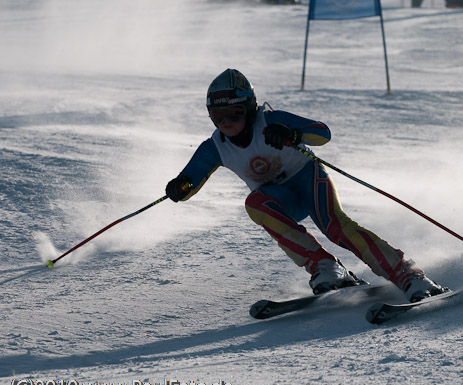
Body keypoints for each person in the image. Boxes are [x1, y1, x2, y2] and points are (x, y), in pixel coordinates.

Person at [166, 68, 446, 302]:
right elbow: (191, 178)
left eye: (235, 114)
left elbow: (323, 133)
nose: (226, 123)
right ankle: (325, 266)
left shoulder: (270, 121)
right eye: (218, 117)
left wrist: (293, 133)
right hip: (280, 199)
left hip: (309, 180)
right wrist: (180, 187)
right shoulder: (215, 146)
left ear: (250, 109)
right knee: (255, 204)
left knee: (335, 227)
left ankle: (408, 275)